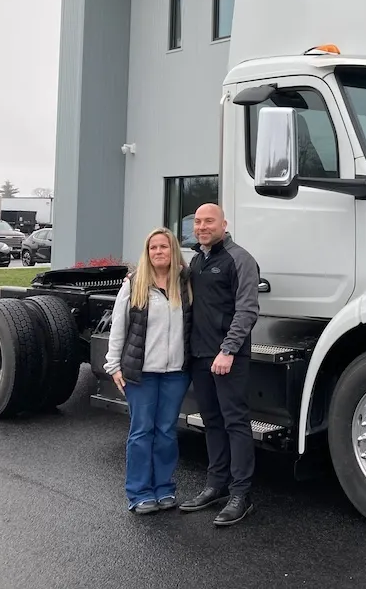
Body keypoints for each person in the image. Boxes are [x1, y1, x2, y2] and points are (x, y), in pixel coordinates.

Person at [179, 202, 261, 527]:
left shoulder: (239, 259)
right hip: (201, 356)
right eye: (197, 222)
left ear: (223, 224)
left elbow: (247, 310)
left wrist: (228, 350)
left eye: (208, 221)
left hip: (228, 357)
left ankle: (242, 494)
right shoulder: (198, 260)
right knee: (211, 422)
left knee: (235, 423)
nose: (202, 226)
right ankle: (216, 485)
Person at [104, 227, 193, 515]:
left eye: (164, 247)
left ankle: (164, 489)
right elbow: (119, 326)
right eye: (153, 247)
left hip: (176, 373)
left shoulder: (186, 284)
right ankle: (139, 493)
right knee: (142, 432)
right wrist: (113, 365)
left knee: (166, 432)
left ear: (173, 251)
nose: (158, 252)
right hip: (141, 374)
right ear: (147, 252)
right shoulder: (134, 284)